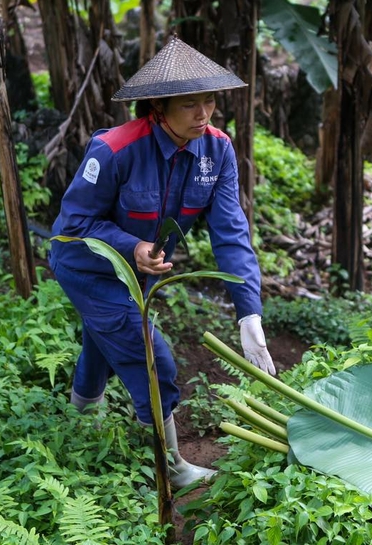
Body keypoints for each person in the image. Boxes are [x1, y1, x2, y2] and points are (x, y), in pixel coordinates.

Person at [49, 36, 276, 488]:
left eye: (209, 100)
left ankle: (77, 426)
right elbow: (74, 223)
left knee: (105, 339)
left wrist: (249, 313)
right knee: (153, 357)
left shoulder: (218, 151)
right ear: (158, 106)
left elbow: (231, 233)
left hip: (143, 273)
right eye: (190, 103)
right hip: (88, 268)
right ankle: (170, 468)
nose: (203, 113)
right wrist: (130, 245)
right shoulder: (115, 149)